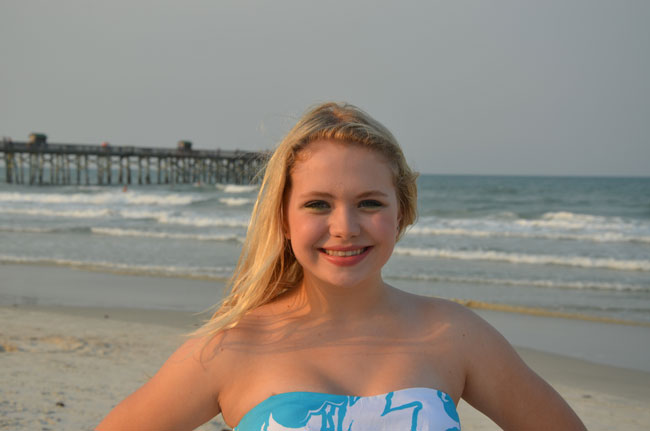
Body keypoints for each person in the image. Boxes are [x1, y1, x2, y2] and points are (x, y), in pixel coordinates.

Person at [97, 102, 586, 430]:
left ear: (403, 213)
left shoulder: (454, 334)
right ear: (283, 219)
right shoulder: (232, 346)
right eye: (317, 205)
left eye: (370, 203)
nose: (345, 227)